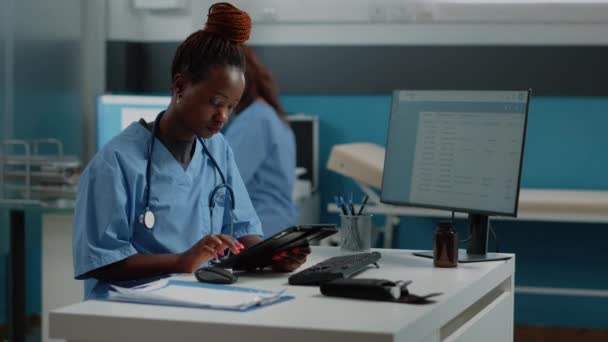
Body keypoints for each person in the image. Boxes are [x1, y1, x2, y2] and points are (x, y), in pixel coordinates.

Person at [72, 2, 309, 300]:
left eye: (231, 107)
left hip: (196, 298)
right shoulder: (115, 163)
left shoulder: (217, 149)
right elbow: (102, 261)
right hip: (129, 309)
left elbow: (242, 226)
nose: (222, 116)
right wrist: (180, 261)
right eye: (215, 102)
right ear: (180, 86)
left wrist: (270, 257)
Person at [224, 46, 298, 237]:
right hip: (277, 224)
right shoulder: (269, 114)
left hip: (261, 230)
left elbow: (224, 186)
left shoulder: (254, 121)